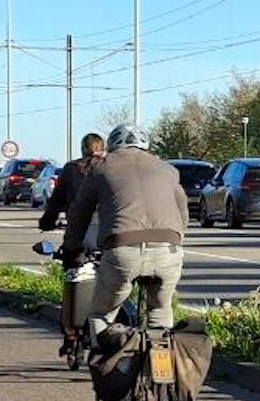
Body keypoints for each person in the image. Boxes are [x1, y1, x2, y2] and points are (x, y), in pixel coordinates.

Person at [62, 123, 186, 335]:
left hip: (122, 250)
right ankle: (161, 360)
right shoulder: (168, 169)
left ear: (111, 145)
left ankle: (105, 365)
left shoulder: (100, 169)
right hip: (168, 250)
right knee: (160, 309)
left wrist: (72, 251)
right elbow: (182, 213)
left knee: (102, 314)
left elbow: (79, 214)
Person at [39, 133, 105, 356]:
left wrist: (47, 223)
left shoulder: (71, 169)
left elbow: (56, 201)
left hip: (79, 236)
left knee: (72, 278)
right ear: (102, 148)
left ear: (83, 148)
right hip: (109, 237)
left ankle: (70, 336)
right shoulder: (110, 167)